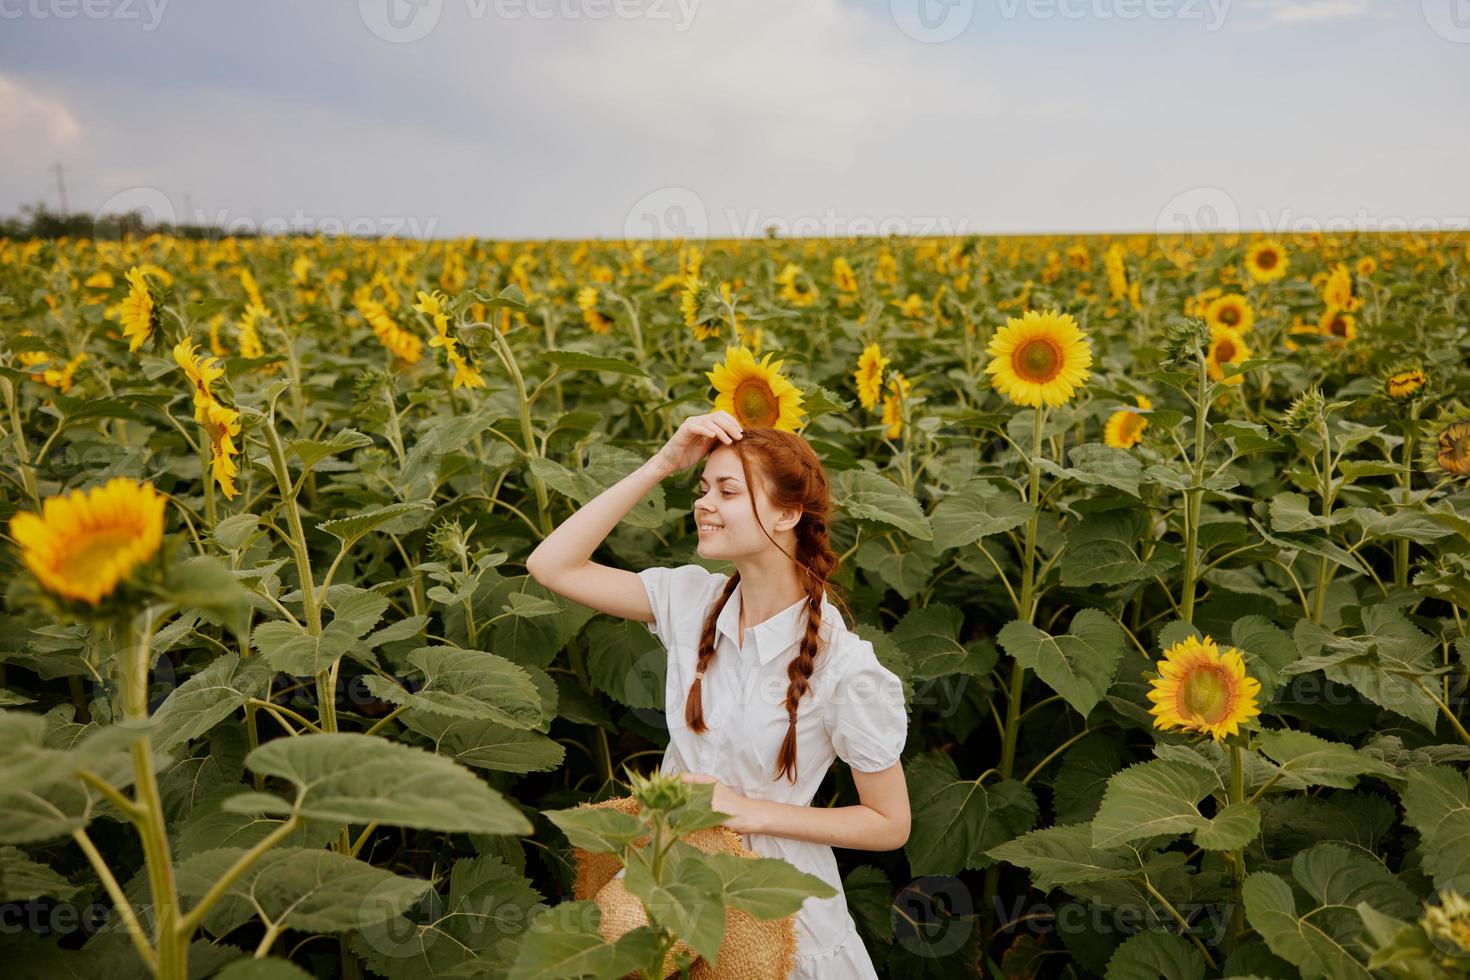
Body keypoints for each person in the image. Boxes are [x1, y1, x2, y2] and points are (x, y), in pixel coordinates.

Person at [527, 410, 910, 978]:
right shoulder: (691, 603)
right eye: (703, 488)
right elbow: (550, 565)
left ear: (787, 513)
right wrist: (662, 464)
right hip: (670, 878)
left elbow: (888, 823)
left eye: (727, 491)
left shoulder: (845, 666)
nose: (704, 502)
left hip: (776, 903)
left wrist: (748, 812)